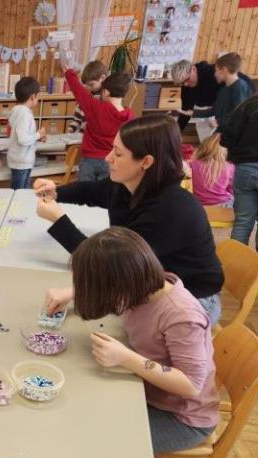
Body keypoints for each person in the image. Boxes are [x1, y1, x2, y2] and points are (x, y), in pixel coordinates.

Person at [33, 114, 224, 325]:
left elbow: (109, 267)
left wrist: (58, 220)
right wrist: (57, 192)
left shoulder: (170, 210)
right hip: (145, 283)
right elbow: (93, 191)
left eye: (118, 153)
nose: (108, 158)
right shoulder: (129, 183)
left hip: (191, 300)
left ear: (146, 162)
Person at [44, 227, 219, 454]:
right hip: (146, 392)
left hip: (180, 418)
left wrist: (126, 358)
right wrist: (74, 292)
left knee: (88, 443)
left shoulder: (182, 317)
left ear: (120, 284)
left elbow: (191, 384)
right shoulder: (142, 287)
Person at [63, 65, 133, 181]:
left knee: (83, 194)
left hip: (89, 160)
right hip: (111, 161)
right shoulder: (130, 117)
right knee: (102, 195)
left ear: (105, 92)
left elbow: (78, 90)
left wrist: (69, 73)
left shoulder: (95, 107)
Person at [170, 58, 255, 132]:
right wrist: (177, 134)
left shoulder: (215, 74)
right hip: (227, 111)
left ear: (194, 69)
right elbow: (186, 111)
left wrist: (220, 121)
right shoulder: (187, 87)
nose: (186, 84)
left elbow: (236, 107)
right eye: (181, 83)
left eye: (187, 79)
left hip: (248, 102)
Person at [221, 93, 258, 248]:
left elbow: (226, 138)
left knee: (242, 222)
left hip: (245, 168)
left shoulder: (248, 105)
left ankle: (235, 267)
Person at [7, 76, 47, 189]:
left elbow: (23, 135)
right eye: (38, 96)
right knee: (18, 194)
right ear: (33, 97)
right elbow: (23, 139)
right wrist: (38, 134)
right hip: (21, 161)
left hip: (22, 160)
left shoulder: (20, 112)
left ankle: (21, 206)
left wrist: (37, 137)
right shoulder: (24, 114)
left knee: (22, 193)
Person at [189, 133, 234, 207]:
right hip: (223, 206)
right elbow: (232, 190)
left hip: (199, 206)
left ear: (203, 147)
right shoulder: (229, 167)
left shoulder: (193, 164)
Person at [65, 60, 108, 134]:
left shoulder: (106, 99)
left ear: (103, 78)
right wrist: (72, 128)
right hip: (83, 136)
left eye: (91, 85)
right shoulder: (86, 96)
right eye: (86, 85)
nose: (88, 88)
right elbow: (78, 117)